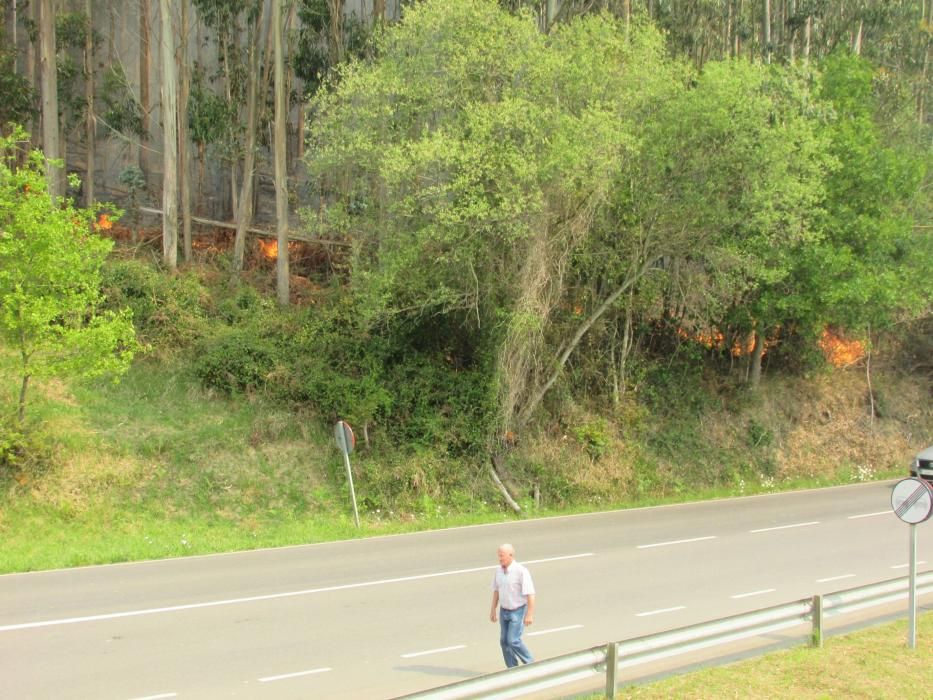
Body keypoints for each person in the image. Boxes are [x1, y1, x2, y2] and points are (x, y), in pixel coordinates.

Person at [489, 543, 535, 668]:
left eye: (502, 556)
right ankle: (512, 668)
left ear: (511, 555)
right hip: (504, 611)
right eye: (499, 556)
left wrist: (529, 614)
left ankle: (530, 663)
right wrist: (493, 609)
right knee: (504, 641)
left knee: (513, 640)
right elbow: (496, 590)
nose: (500, 559)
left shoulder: (521, 571)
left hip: (517, 611)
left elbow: (530, 594)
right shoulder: (498, 571)